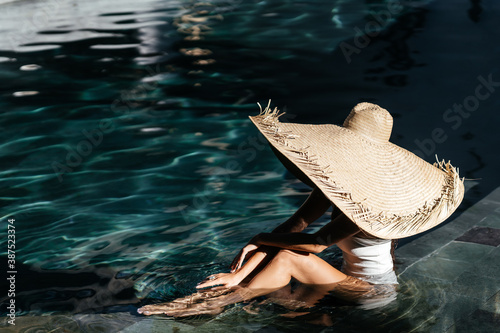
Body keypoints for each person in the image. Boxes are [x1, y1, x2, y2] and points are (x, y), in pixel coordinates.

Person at [138, 102, 464, 317]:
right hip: (340, 279)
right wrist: (251, 255)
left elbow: (315, 243)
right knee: (275, 249)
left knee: (286, 255)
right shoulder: (336, 190)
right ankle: (282, 309)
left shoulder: (367, 205)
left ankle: (220, 302)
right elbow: (295, 226)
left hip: (373, 292)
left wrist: (257, 239)